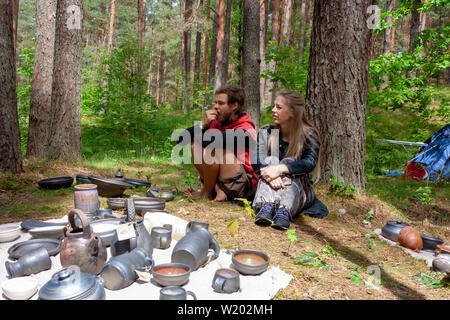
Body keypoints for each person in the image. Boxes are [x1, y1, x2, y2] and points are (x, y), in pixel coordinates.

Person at [252, 89, 329, 230]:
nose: (273, 110)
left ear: (292, 112)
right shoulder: (267, 132)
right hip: (269, 185)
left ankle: (284, 211)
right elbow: (256, 161)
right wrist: (271, 176)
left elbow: (309, 162)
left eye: (279, 107)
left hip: (298, 188)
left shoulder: (308, 135)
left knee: (288, 161)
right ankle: (266, 206)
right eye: (274, 106)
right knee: (271, 159)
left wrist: (279, 169)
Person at [177, 85, 258, 202]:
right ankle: (215, 191)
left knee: (215, 146)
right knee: (195, 144)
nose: (215, 107)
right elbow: (181, 139)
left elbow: (210, 141)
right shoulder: (217, 122)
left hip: (242, 184)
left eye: (221, 103)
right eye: (216, 103)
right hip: (220, 179)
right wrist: (201, 125)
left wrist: (202, 131)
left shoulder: (245, 129)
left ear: (234, 105)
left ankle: (206, 193)